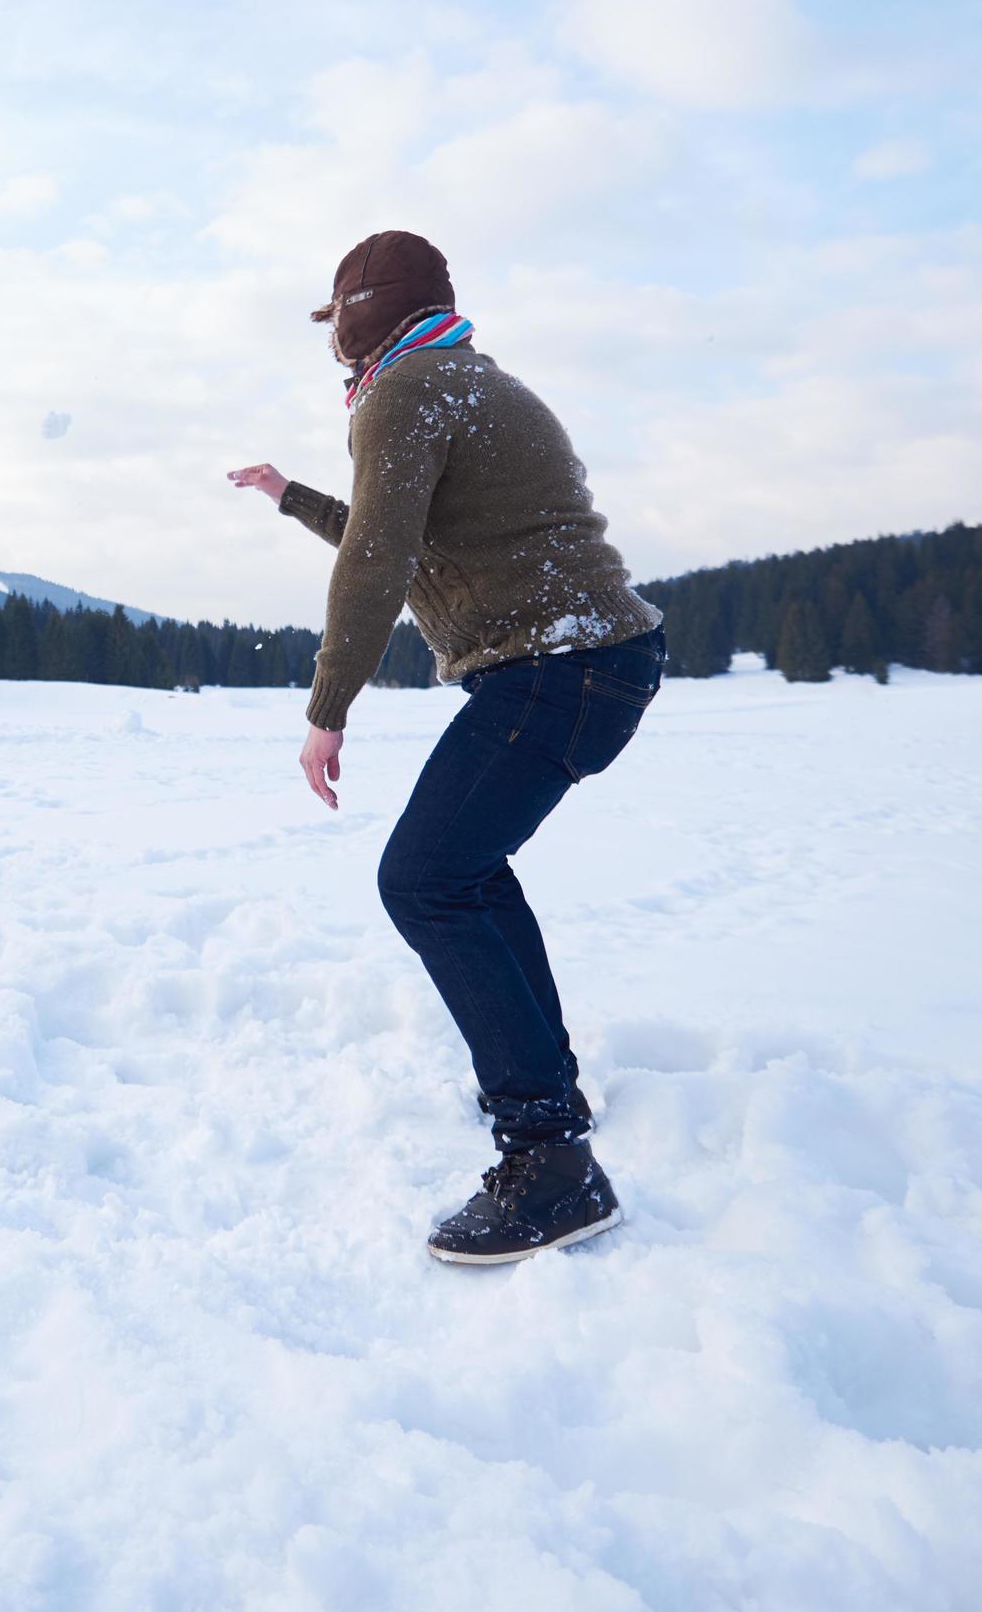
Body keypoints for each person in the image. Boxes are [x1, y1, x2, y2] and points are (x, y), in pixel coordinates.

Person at [231, 230, 665, 1264]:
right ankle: (547, 1092)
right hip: (588, 663)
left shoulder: (409, 388)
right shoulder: (449, 378)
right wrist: (291, 495)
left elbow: (382, 559)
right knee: (460, 870)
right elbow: (401, 532)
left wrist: (328, 703)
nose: (332, 341)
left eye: (337, 317)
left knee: (425, 878)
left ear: (366, 310)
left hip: (558, 668)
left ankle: (549, 1158)